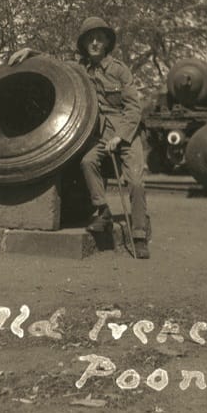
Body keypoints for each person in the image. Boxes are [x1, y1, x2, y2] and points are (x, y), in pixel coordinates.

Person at [10, 17, 151, 258]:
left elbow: (133, 109)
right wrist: (31, 52)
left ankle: (139, 235)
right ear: (84, 44)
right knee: (88, 162)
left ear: (107, 42)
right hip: (100, 133)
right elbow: (55, 64)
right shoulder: (79, 68)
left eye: (99, 38)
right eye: (90, 39)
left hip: (127, 133)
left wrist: (120, 137)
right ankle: (103, 212)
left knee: (136, 182)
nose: (95, 43)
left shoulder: (120, 70)